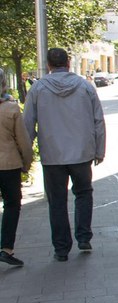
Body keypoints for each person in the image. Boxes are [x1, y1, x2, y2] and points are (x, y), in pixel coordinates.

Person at [23, 48, 106, 262]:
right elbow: (98, 120)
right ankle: (84, 237)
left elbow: (28, 124)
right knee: (84, 193)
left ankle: (61, 248)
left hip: (52, 155)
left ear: (48, 64)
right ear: (68, 63)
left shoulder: (38, 88)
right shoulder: (85, 86)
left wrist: (26, 155)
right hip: (81, 152)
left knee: (57, 202)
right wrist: (99, 149)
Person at [0, 69, 34, 266]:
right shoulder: (11, 109)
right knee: (12, 205)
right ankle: (6, 248)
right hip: (9, 166)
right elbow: (24, 142)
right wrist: (27, 163)